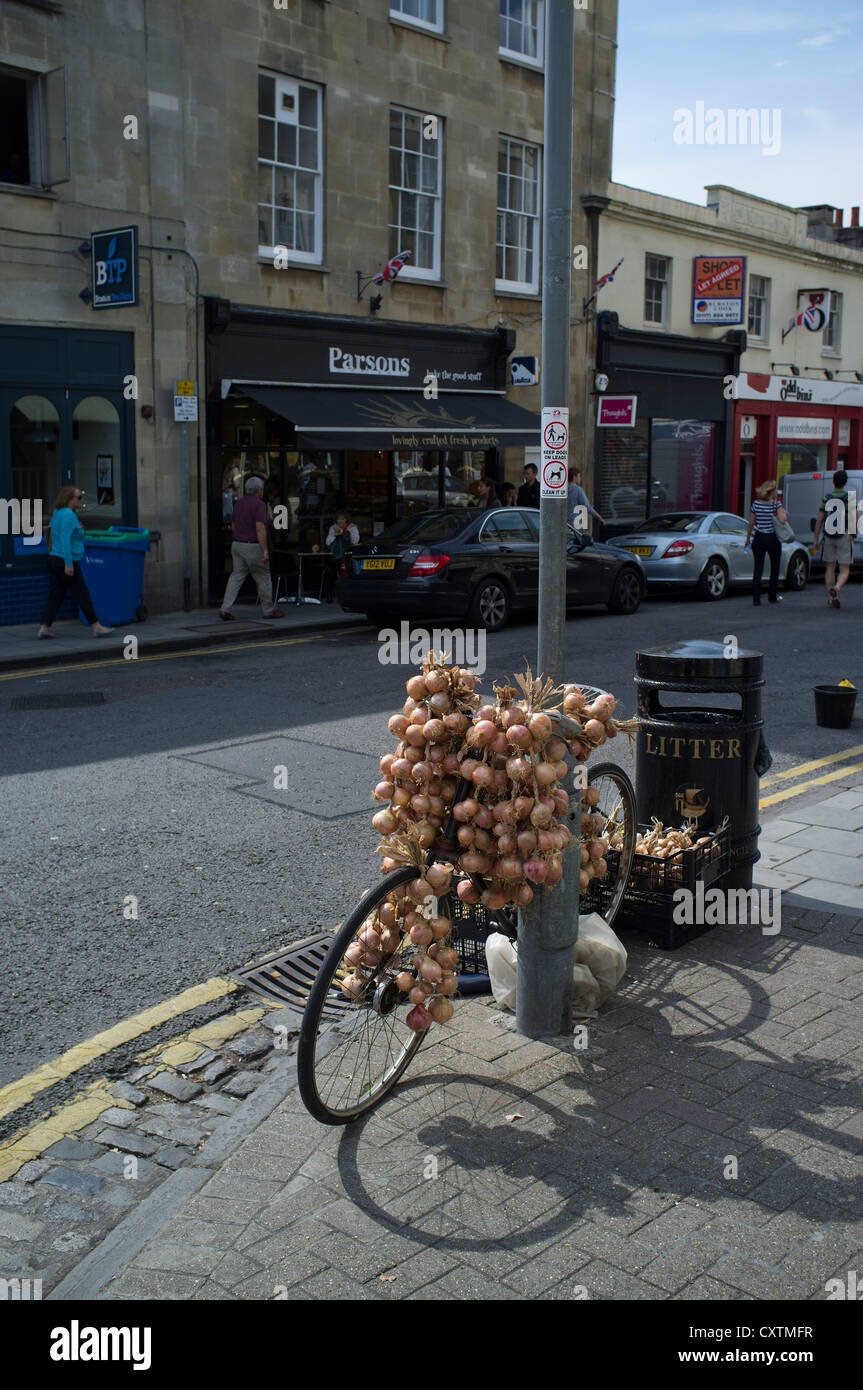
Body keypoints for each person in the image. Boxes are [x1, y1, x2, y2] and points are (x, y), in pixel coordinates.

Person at [37, 485, 114, 638]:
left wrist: (79, 530)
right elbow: (65, 541)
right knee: (82, 594)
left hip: (54, 559)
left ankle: (44, 627)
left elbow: (55, 534)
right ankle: (96, 626)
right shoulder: (69, 516)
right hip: (66, 561)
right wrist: (69, 564)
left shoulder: (58, 514)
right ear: (70, 500)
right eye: (79, 497)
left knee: (56, 596)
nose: (82, 500)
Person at [219, 476, 284, 620]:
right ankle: (268, 610)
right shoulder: (259, 505)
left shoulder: (239, 503)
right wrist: (265, 550)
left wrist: (237, 538)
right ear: (259, 490)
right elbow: (260, 528)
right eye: (261, 489)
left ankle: (225, 608)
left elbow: (234, 524)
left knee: (236, 577)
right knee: (263, 577)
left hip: (237, 544)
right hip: (253, 546)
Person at [813, 468, 855, 609]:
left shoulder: (827, 497)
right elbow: (854, 518)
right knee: (844, 569)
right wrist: (853, 534)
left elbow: (819, 519)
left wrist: (816, 539)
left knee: (830, 567)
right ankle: (836, 588)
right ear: (845, 482)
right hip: (843, 535)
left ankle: (832, 599)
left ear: (833, 481)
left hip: (829, 535)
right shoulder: (850, 497)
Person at [745, 479, 787, 606]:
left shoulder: (755, 504)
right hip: (772, 538)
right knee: (774, 568)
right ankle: (772, 596)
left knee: (758, 569)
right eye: (775, 490)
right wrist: (782, 510)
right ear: (772, 491)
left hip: (759, 537)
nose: (776, 492)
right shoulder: (776, 504)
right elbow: (782, 520)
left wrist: (747, 539)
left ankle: (756, 599)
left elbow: (751, 523)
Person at [324, 510, 360, 601]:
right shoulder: (333, 528)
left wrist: (344, 535)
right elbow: (328, 542)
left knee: (348, 573)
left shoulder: (352, 528)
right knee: (330, 572)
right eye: (338, 519)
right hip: (336, 556)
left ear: (346, 520)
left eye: (342, 519)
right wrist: (336, 534)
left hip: (347, 556)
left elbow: (355, 541)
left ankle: (349, 593)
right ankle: (330, 594)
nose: (340, 521)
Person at [568, 467, 605, 532]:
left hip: (564, 523)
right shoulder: (578, 490)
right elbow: (586, 506)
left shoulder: (563, 490)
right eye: (579, 476)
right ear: (574, 477)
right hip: (574, 523)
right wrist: (599, 517)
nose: (580, 478)